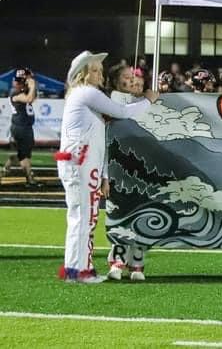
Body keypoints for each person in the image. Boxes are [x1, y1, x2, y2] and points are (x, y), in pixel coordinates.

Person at [57, 51, 158, 283]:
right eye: (94, 70)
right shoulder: (87, 92)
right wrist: (148, 100)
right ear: (83, 74)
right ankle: (80, 271)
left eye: (100, 70)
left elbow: (99, 137)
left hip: (83, 164)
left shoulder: (82, 94)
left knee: (82, 218)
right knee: (83, 219)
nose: (100, 75)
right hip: (81, 164)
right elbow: (122, 112)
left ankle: (76, 269)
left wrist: (102, 174)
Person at [105, 65, 150, 281]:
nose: (132, 81)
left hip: (141, 166)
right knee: (121, 213)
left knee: (143, 213)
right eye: (127, 77)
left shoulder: (140, 102)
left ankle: (137, 262)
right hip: (119, 166)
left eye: (136, 78)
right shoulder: (114, 100)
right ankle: (117, 261)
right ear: (116, 81)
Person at [5, 68, 40, 188]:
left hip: (26, 127)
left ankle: (8, 165)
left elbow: (34, 98)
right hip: (21, 127)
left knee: (25, 153)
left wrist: (31, 84)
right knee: (24, 155)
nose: (17, 83)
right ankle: (30, 179)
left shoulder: (22, 90)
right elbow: (29, 99)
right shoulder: (15, 92)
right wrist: (32, 84)